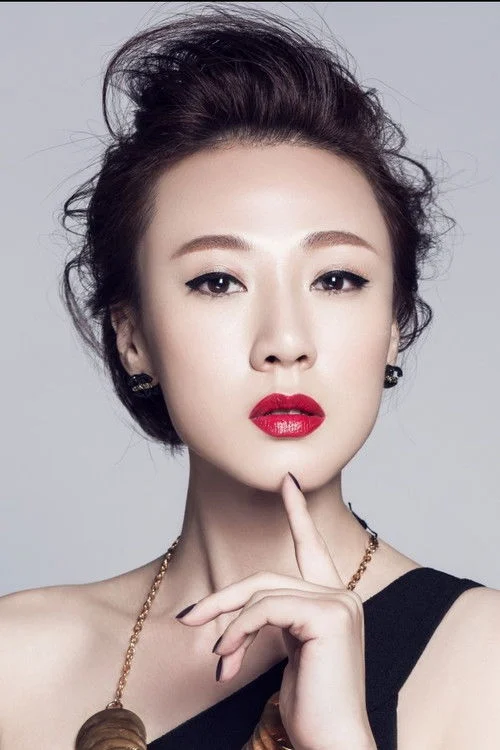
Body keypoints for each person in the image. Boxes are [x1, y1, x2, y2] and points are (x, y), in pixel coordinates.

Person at [0, 4, 498, 749]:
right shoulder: (17, 663)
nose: (284, 342)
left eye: (335, 279)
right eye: (217, 282)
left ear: (395, 324)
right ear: (132, 338)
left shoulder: (484, 661)